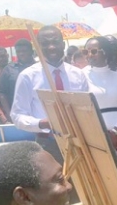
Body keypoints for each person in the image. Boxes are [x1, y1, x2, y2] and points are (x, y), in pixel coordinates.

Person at [11, 25, 89, 164]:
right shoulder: (27, 76)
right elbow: (17, 116)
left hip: (78, 141)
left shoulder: (78, 74)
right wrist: (42, 123)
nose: (51, 47)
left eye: (55, 42)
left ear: (63, 44)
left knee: (79, 185)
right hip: (47, 143)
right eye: (45, 43)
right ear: (38, 47)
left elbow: (87, 110)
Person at [84, 36, 117, 162]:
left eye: (94, 51)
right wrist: (102, 134)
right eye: (86, 52)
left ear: (105, 52)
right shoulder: (81, 77)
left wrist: (115, 132)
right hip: (94, 135)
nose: (89, 55)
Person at [0, 38, 36, 121]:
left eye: (24, 51)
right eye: (18, 51)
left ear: (32, 52)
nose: (21, 54)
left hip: (38, 114)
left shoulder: (40, 68)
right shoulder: (9, 69)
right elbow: (2, 93)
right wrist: (9, 114)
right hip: (18, 116)